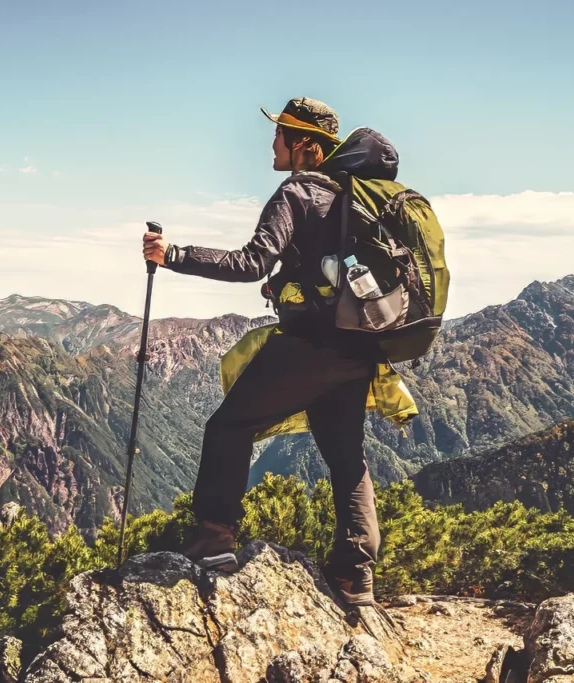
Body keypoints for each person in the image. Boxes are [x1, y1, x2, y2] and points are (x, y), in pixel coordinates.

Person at [142, 97, 403, 607]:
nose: (272, 142)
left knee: (229, 426)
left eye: (280, 132)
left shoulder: (299, 191)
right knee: (346, 457)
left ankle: (216, 540)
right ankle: (356, 576)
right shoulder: (355, 196)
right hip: (360, 346)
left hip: (311, 345)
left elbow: (251, 261)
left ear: (304, 143)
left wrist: (173, 255)